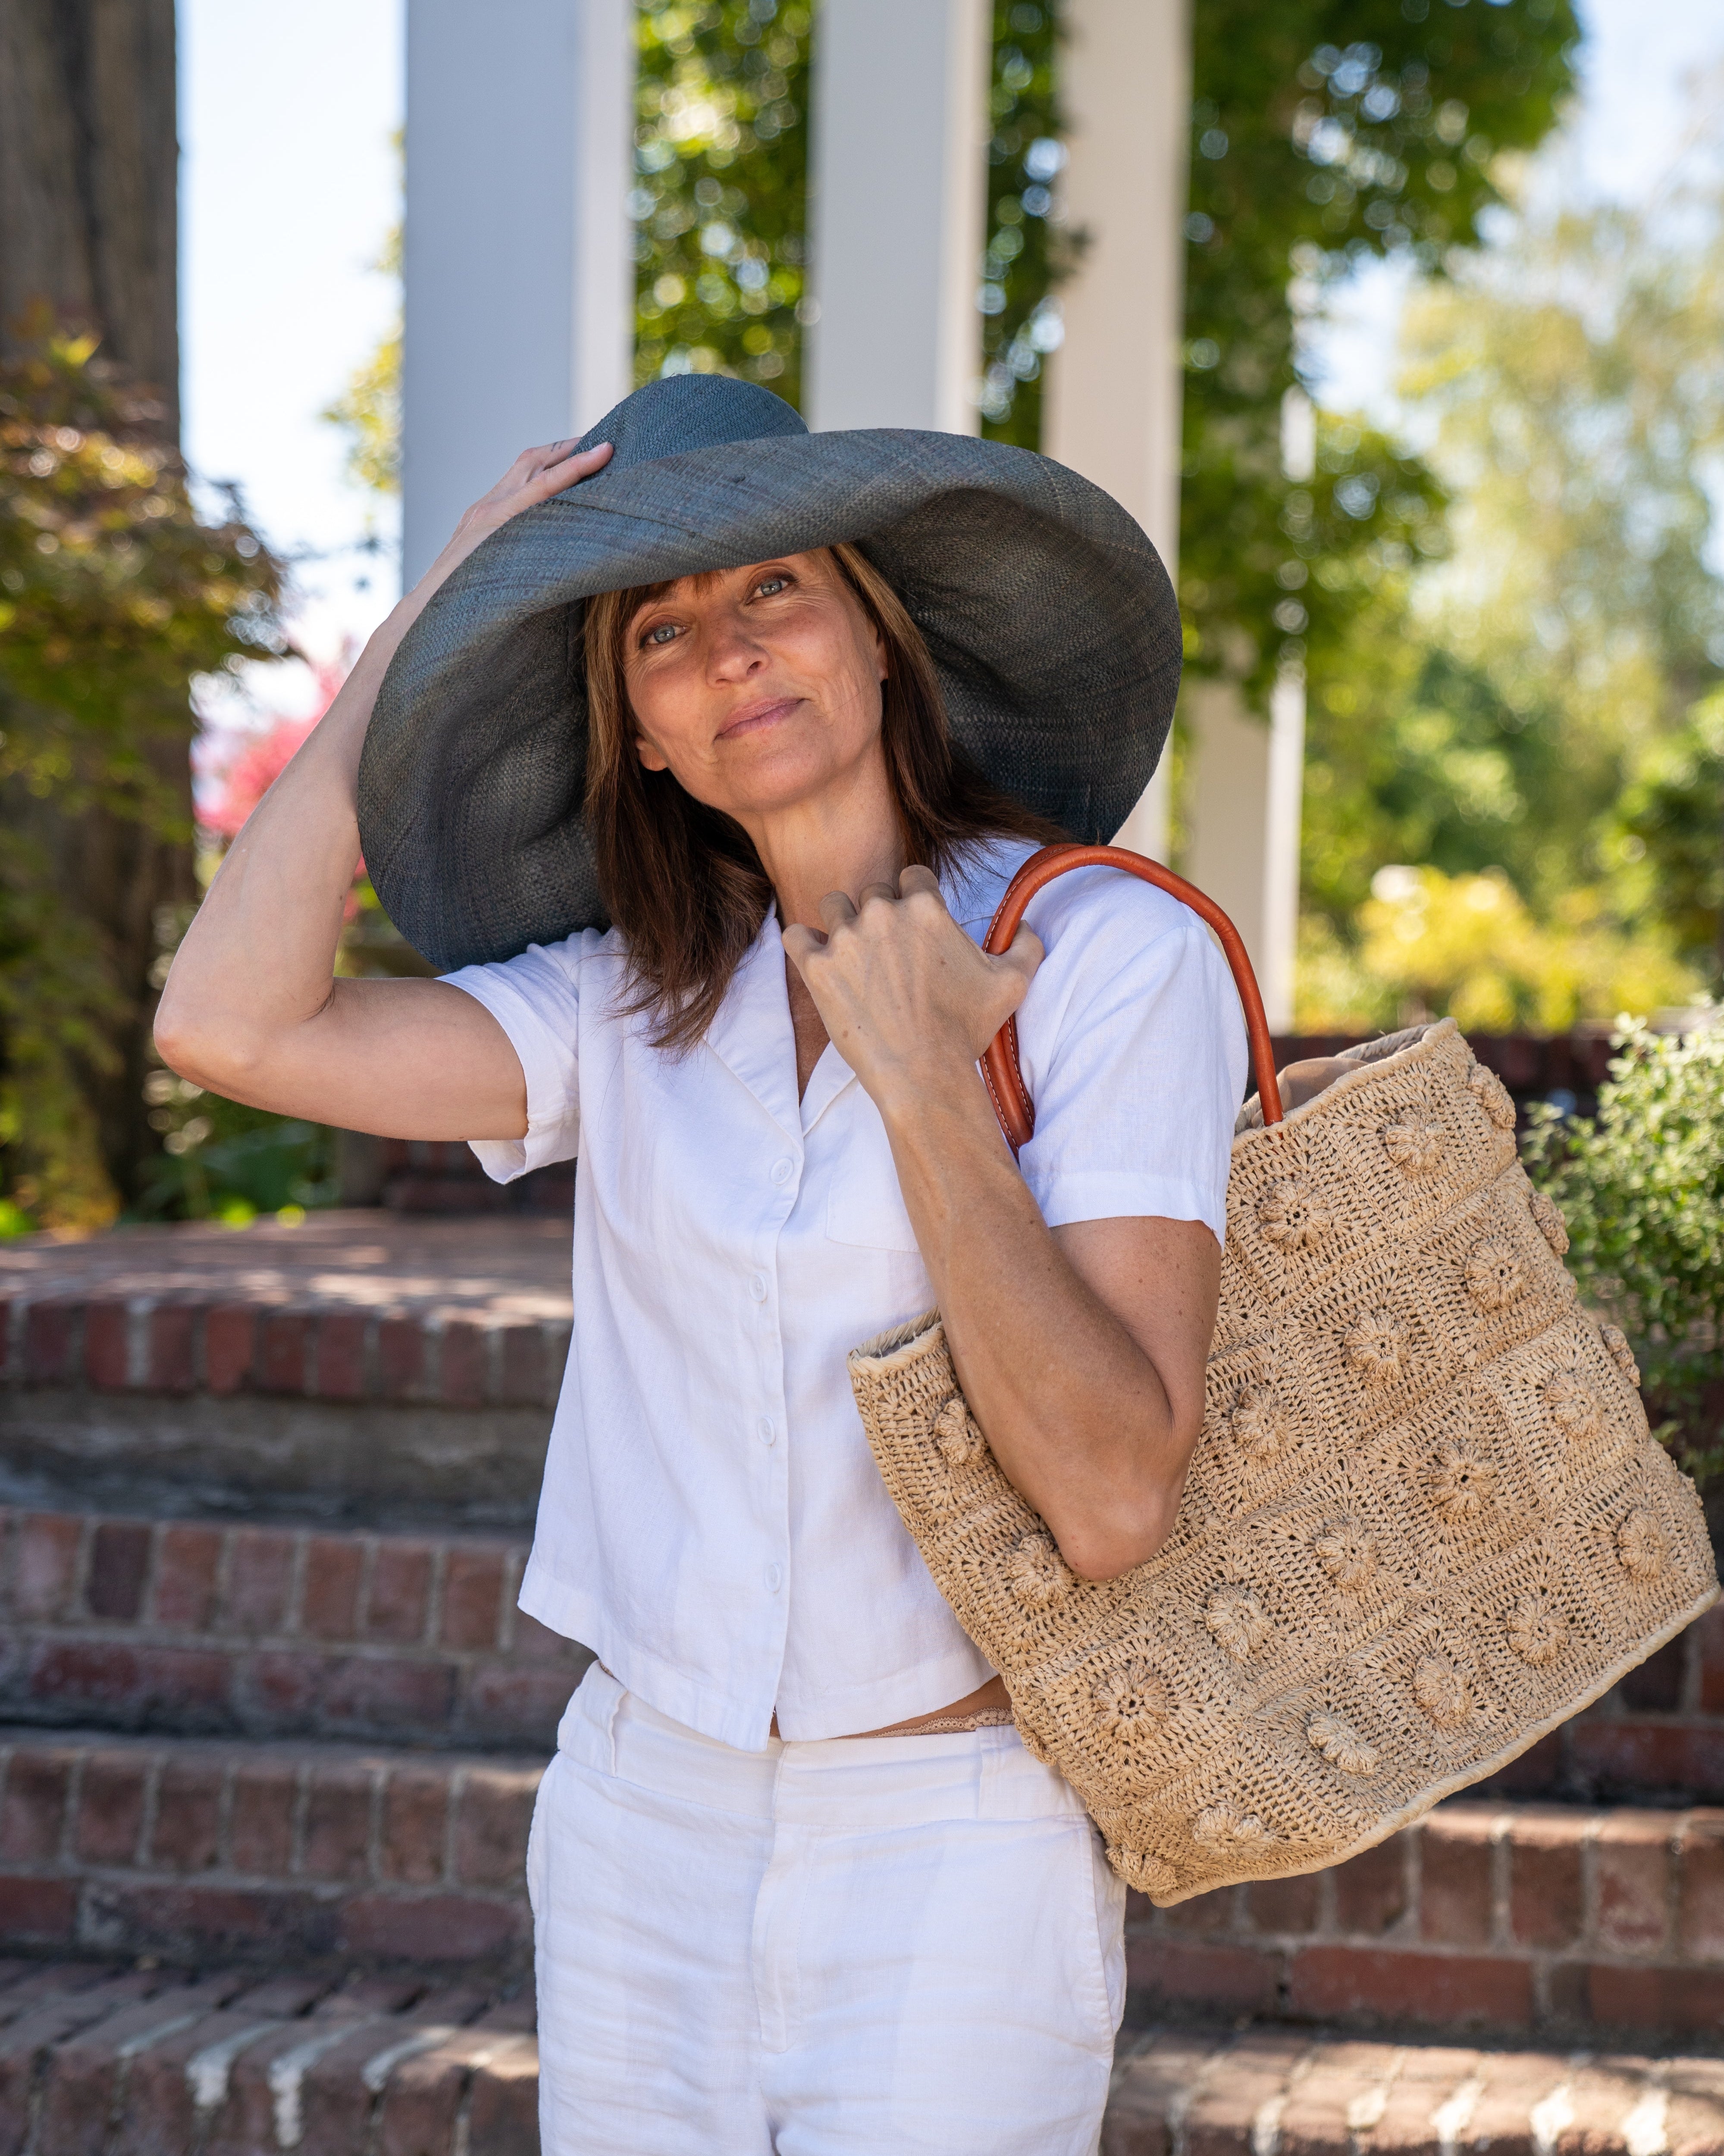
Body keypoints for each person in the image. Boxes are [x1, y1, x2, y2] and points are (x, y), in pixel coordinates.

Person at [157, 377, 1248, 2155]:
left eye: (776, 594)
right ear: (643, 734)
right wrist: (421, 627)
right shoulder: (632, 995)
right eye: (664, 630)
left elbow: (1117, 1496)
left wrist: (924, 1086)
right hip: (638, 1822)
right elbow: (225, 1023)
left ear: (883, 642)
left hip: (953, 1839)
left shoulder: (1104, 955)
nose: (730, 652)